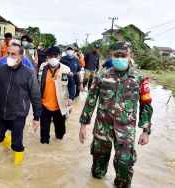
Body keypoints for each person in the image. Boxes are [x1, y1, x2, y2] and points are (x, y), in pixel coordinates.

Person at [79, 41, 153, 188]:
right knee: (97, 172)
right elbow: (90, 101)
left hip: (125, 132)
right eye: (116, 55)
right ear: (111, 56)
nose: (119, 58)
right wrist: (83, 125)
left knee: (124, 170)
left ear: (130, 56)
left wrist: (146, 131)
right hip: (102, 129)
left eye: (123, 55)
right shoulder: (101, 76)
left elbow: (146, 105)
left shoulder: (139, 78)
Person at [0, 43, 42, 165]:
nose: (9, 56)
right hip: (2, 112)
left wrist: (36, 117)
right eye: (8, 53)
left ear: (21, 57)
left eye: (13, 54)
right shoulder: (1, 70)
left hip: (18, 115)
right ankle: (8, 142)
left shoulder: (29, 74)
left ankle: (17, 169)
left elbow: (35, 97)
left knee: (17, 144)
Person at [38, 46, 75, 144]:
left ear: (59, 57)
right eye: (50, 56)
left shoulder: (66, 69)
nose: (53, 58)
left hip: (60, 106)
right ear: (47, 57)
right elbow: (37, 83)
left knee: (60, 134)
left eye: (55, 56)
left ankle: (58, 143)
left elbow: (72, 84)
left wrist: (71, 97)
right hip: (44, 106)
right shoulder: (42, 67)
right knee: (44, 136)